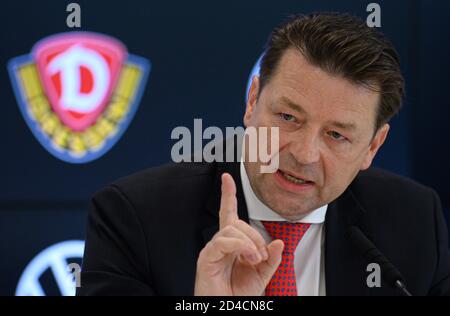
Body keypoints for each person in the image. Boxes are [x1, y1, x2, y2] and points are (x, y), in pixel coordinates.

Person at [77, 13, 450, 296]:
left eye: (336, 135)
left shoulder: (414, 223)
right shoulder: (135, 218)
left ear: (372, 147)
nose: (303, 154)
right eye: (288, 117)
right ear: (253, 101)